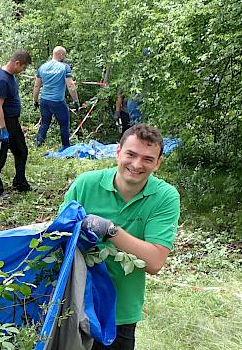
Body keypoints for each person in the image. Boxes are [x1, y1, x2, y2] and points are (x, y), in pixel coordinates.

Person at [63, 124, 180, 350]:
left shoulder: (165, 197)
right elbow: (57, 239)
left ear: (158, 163)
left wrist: (110, 230)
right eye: (131, 154)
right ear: (118, 152)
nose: (136, 165)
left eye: (147, 159)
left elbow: (155, 261)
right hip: (74, 304)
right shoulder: (86, 184)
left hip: (120, 313)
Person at [0, 50, 33, 198]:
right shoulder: (2, 79)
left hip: (13, 122)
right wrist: (3, 129)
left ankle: (20, 182)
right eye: (23, 67)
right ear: (17, 63)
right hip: (3, 123)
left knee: (22, 151)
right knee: (0, 155)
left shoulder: (11, 77)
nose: (23, 71)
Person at [33, 46, 82, 148]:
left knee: (45, 123)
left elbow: (37, 85)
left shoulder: (42, 67)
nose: (64, 57)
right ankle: (66, 147)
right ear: (60, 54)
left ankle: (38, 144)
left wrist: (35, 101)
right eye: (64, 55)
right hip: (57, 101)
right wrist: (76, 101)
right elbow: (70, 85)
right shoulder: (64, 67)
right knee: (64, 124)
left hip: (44, 100)